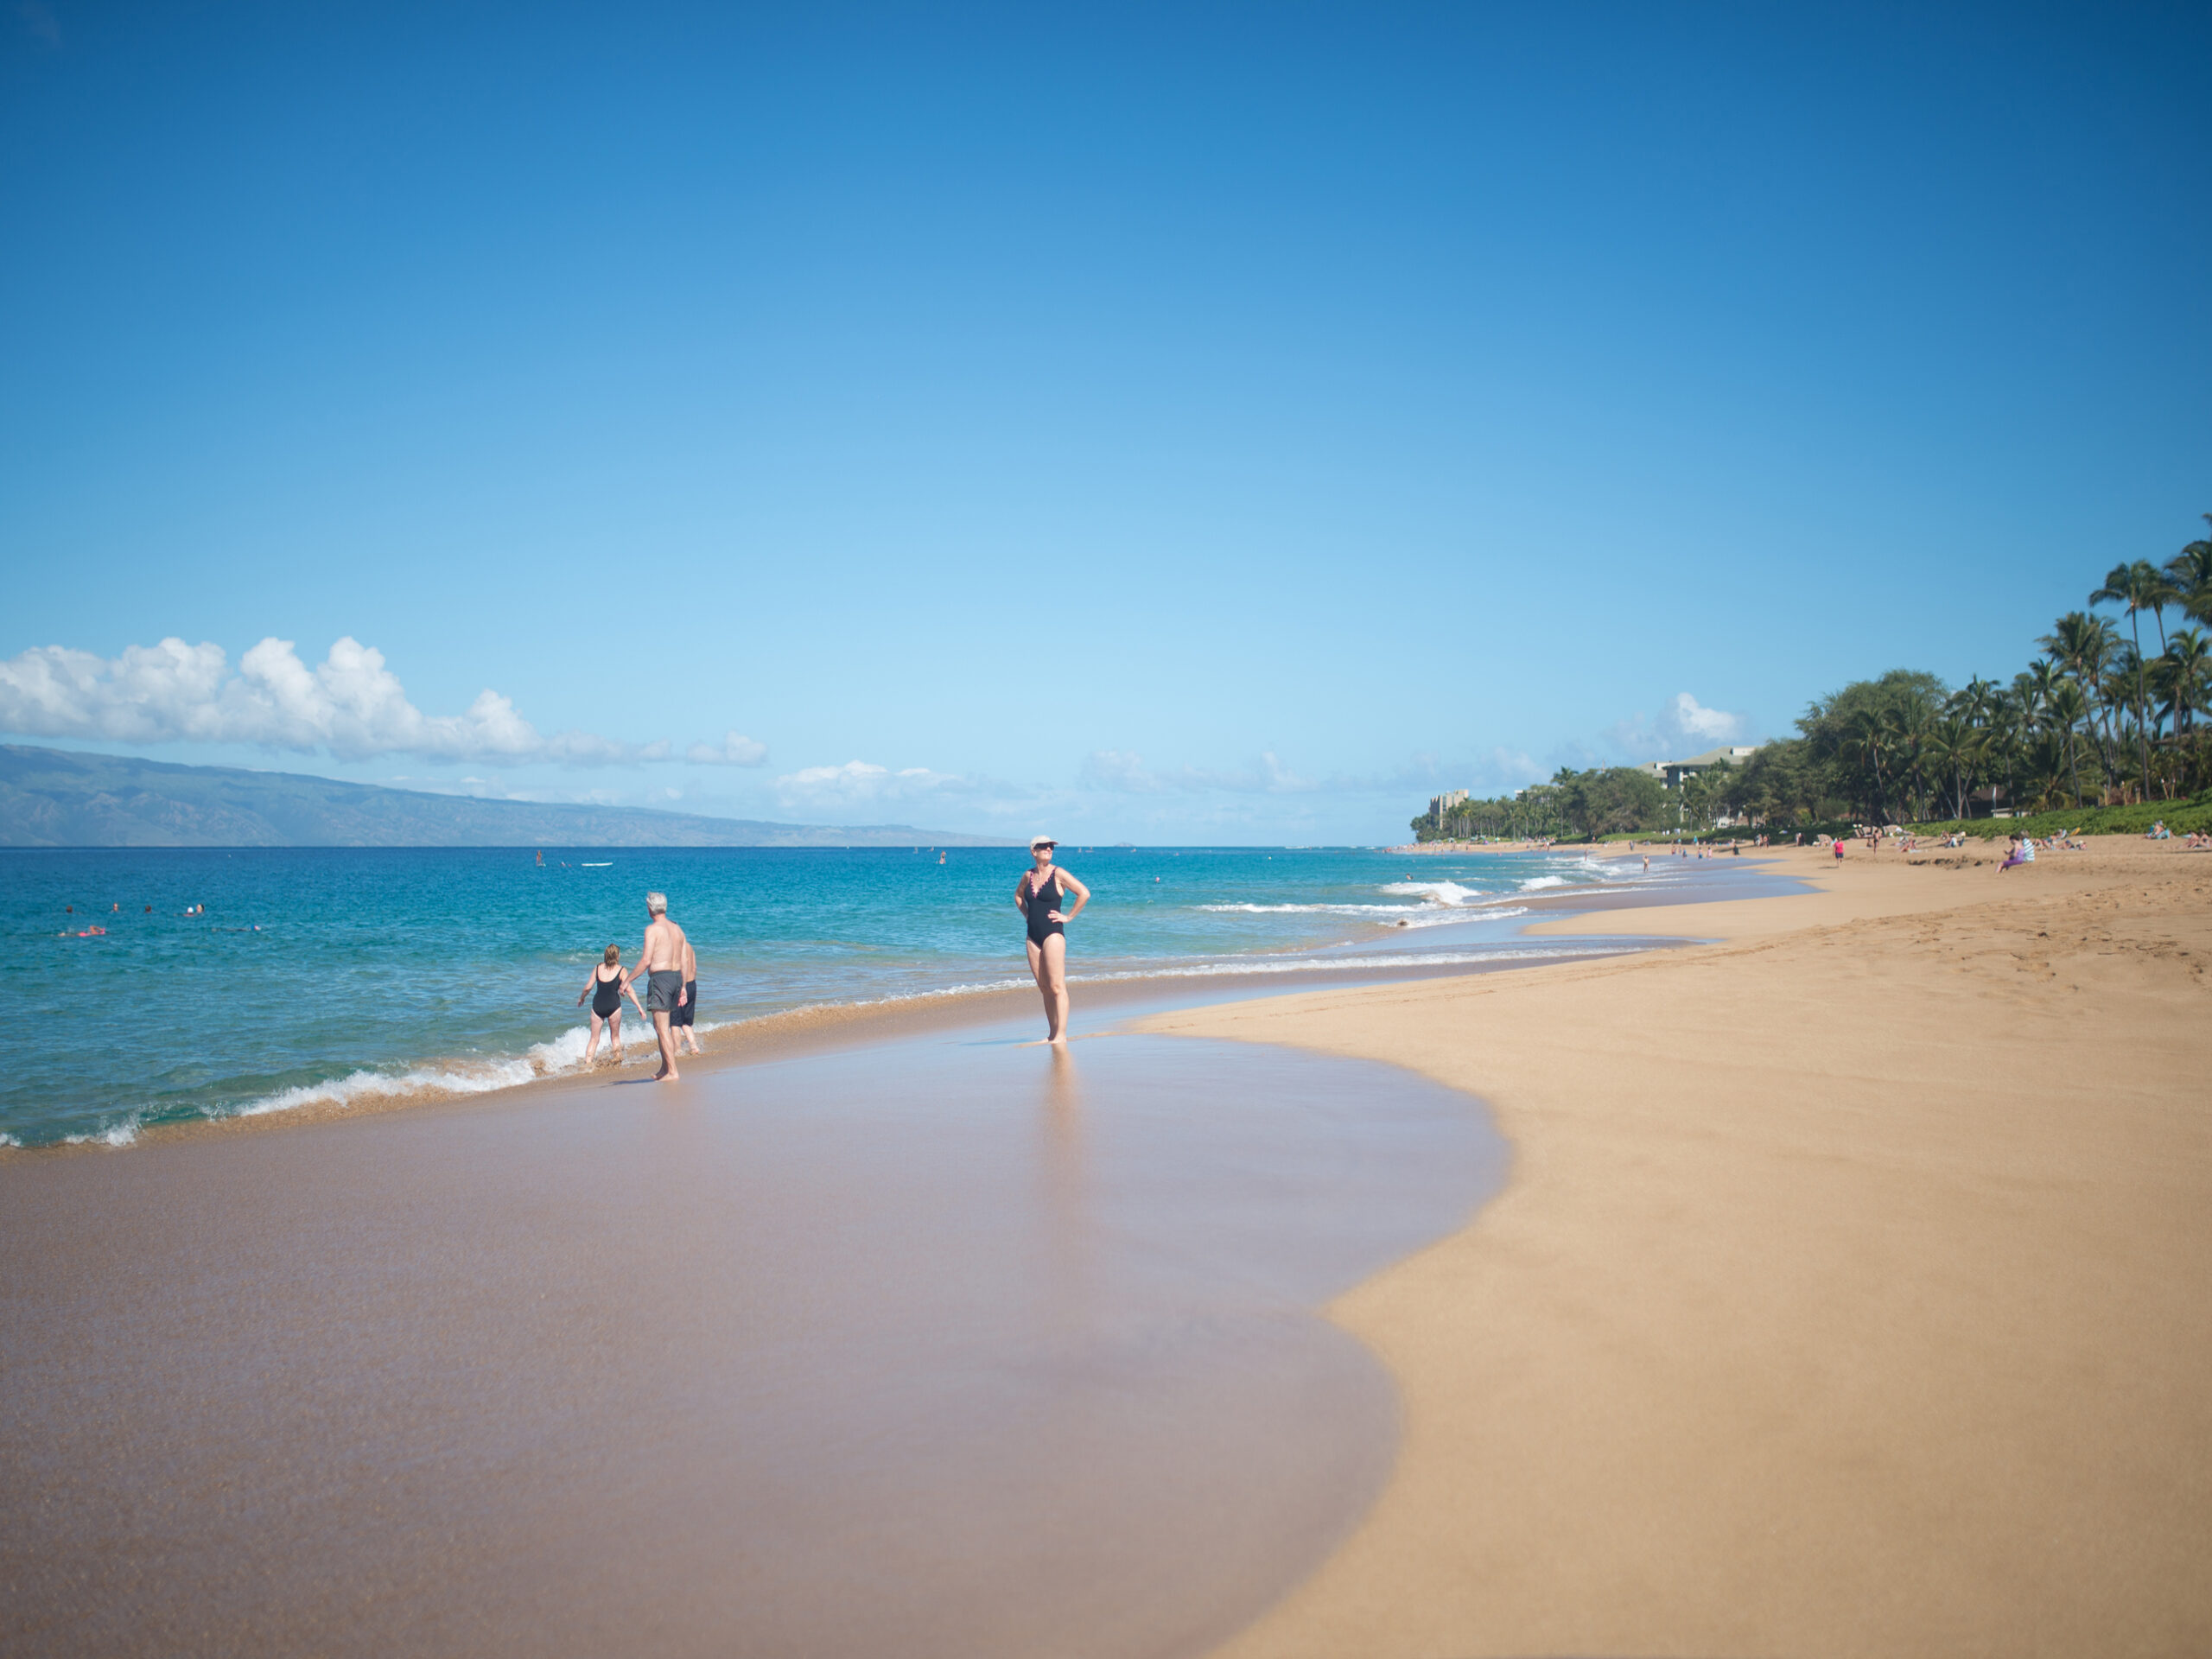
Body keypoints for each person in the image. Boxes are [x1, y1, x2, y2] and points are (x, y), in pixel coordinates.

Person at [1014, 836, 1090, 1046]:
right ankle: (1052, 1034)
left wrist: (1068, 916)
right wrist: (1027, 915)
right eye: (1043, 847)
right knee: (1044, 988)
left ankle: (1061, 1035)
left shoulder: (1059, 874)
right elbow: (1018, 897)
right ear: (1033, 851)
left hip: (1053, 934)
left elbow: (1084, 893)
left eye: (1051, 847)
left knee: (1057, 986)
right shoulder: (1027, 875)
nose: (1048, 849)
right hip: (1032, 936)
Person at [633, 891, 690, 1082]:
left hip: (661, 979)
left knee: (661, 1028)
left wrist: (626, 981)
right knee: (662, 1027)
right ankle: (665, 1069)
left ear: (650, 908)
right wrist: (683, 985)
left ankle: (673, 1071)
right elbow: (684, 959)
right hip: (676, 978)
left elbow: (646, 960)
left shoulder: (652, 929)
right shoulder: (677, 929)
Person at [575, 944, 645, 1065]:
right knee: (615, 1038)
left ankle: (587, 1064)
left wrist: (582, 998)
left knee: (594, 1039)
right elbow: (629, 990)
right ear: (617, 956)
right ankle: (618, 1063)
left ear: (606, 955)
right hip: (614, 1006)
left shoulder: (598, 968)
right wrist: (639, 1008)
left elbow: (588, 987)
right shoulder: (621, 970)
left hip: (598, 1005)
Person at [671, 935, 703, 1057]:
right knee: (686, 1021)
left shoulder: (675, 948)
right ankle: (693, 1046)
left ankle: (678, 1050)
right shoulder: (689, 946)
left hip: (681, 986)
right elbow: (694, 967)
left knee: (674, 1022)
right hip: (692, 984)